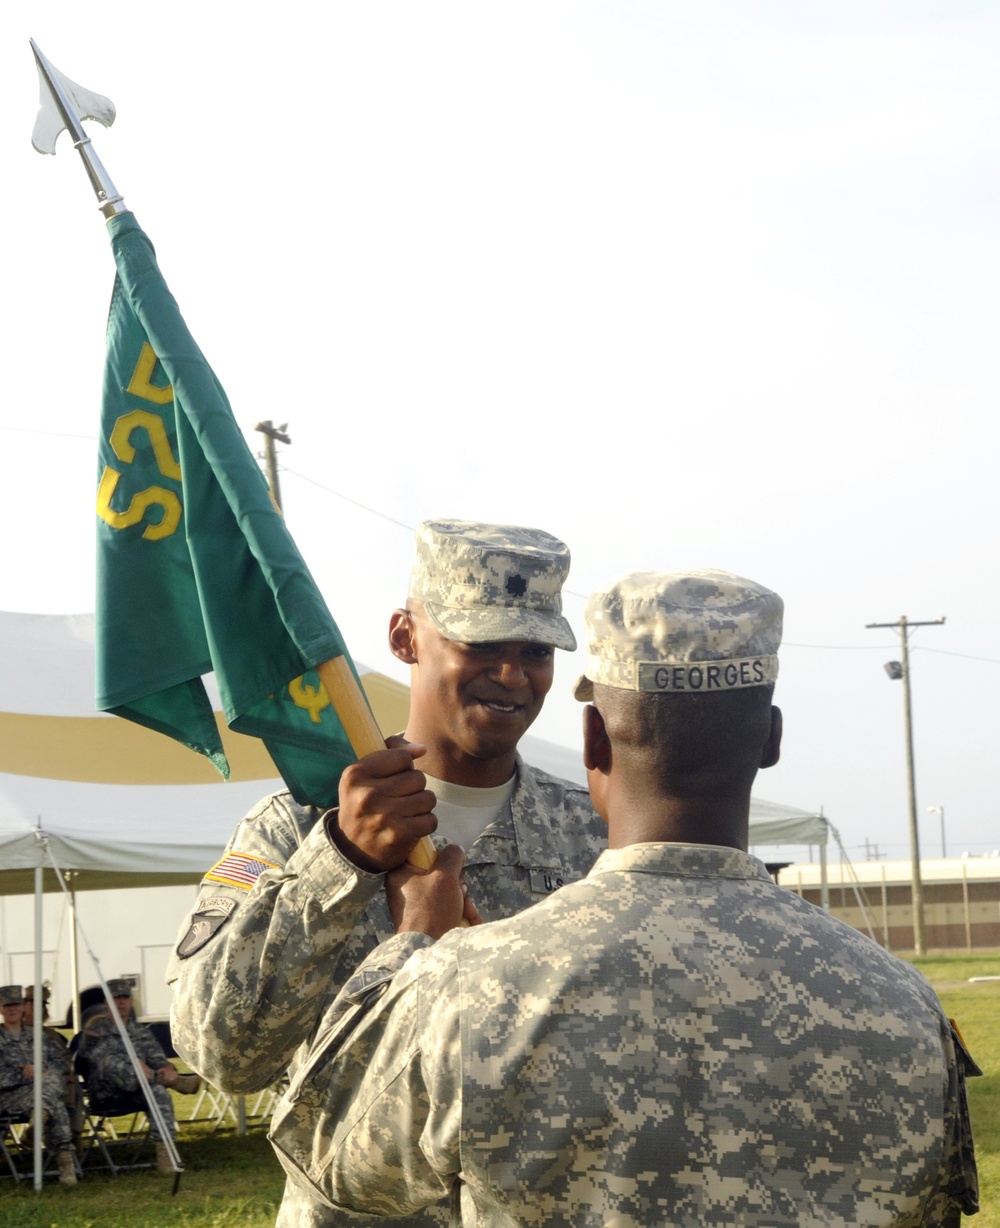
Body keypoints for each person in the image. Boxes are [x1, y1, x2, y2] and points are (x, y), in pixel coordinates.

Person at [269, 568, 981, 1226]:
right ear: (769, 739)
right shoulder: (901, 1004)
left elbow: (336, 1167)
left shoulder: (468, 986)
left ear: (594, 740)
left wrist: (411, 948)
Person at [168, 519, 605, 1227]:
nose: (513, 675)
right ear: (405, 637)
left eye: (535, 651)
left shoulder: (595, 838)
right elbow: (219, 1052)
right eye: (481, 645)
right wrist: (341, 862)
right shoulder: (298, 826)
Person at [78, 979, 200, 1176]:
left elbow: (157, 1058)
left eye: (125, 998)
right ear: (107, 1003)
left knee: (159, 1092)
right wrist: (136, 1063)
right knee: (112, 1064)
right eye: (116, 999)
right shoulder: (95, 1029)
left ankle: (166, 1154)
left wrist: (167, 1069)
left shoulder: (139, 1032)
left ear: (131, 1001)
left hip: (136, 1091)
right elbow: (100, 1061)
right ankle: (178, 1083)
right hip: (106, 1092)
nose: (121, 1003)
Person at [0, 984, 77, 1185]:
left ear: (24, 1007)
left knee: (50, 1089)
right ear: (0, 1009)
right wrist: (26, 1073)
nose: (12, 1009)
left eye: (16, 1004)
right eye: (7, 1005)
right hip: (10, 1097)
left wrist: (39, 1067)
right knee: (53, 1093)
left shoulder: (38, 1035)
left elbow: (61, 1063)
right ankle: (66, 1166)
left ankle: (39, 1124)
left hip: (39, 1094)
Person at [22, 984, 83, 1156]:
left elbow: (65, 1059)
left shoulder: (51, 1035)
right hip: (25, 1086)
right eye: (33, 1003)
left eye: (42, 1004)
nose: (38, 1008)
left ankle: (73, 1136)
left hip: (55, 1084)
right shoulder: (14, 1032)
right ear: (24, 1005)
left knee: (73, 1084)